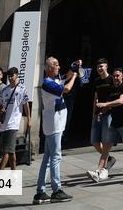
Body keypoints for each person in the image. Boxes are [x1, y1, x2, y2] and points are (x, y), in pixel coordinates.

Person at [33, 56, 79, 204]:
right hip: (54, 126)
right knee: (55, 157)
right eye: (56, 65)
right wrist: (75, 77)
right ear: (49, 68)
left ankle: (40, 192)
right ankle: (56, 190)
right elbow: (66, 88)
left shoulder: (54, 80)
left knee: (47, 159)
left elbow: (66, 76)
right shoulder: (47, 83)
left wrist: (74, 67)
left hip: (54, 125)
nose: (59, 67)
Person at [88, 67, 123, 181]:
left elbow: (120, 101)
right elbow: (110, 105)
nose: (115, 78)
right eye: (114, 76)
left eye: (118, 75)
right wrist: (102, 112)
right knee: (106, 146)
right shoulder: (112, 88)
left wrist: (105, 104)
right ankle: (99, 170)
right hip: (114, 121)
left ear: (122, 76)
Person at [85, 57, 116, 182]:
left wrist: (107, 107)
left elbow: (115, 96)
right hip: (98, 114)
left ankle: (99, 170)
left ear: (106, 66)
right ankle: (108, 159)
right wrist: (94, 113)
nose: (99, 69)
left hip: (109, 113)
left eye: (101, 66)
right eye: (98, 67)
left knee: (106, 141)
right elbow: (96, 97)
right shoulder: (97, 81)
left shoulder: (111, 79)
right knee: (94, 140)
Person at [0, 67, 31, 171]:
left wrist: (29, 120)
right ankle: (14, 174)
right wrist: (1, 109)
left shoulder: (21, 89)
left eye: (12, 76)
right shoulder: (5, 90)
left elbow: (26, 105)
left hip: (14, 124)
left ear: (17, 75)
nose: (10, 78)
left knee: (6, 151)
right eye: (9, 76)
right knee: (11, 151)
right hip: (4, 124)